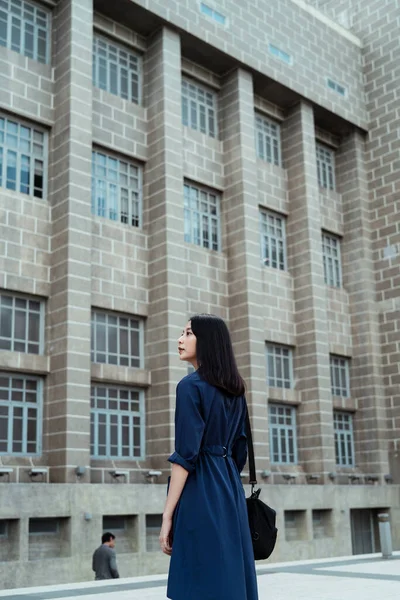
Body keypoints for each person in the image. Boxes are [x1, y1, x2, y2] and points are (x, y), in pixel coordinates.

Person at [160, 313, 259, 600]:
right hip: (230, 489)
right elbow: (240, 450)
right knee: (228, 575)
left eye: (188, 333)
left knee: (198, 579)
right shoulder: (236, 390)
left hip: (200, 489)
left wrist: (168, 515)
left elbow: (186, 455)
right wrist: (223, 469)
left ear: (208, 341)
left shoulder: (190, 387)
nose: (180, 339)